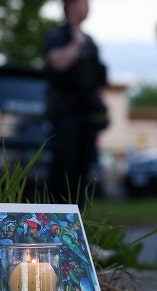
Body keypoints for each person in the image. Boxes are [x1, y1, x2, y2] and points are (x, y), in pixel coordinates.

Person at [43, 0, 109, 206]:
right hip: (65, 113)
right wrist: (76, 44)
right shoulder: (57, 36)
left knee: (83, 168)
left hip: (88, 115)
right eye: (84, 2)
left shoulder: (91, 42)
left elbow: (98, 80)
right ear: (70, 5)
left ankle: (78, 216)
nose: (88, 6)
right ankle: (57, 214)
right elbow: (57, 63)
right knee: (64, 166)